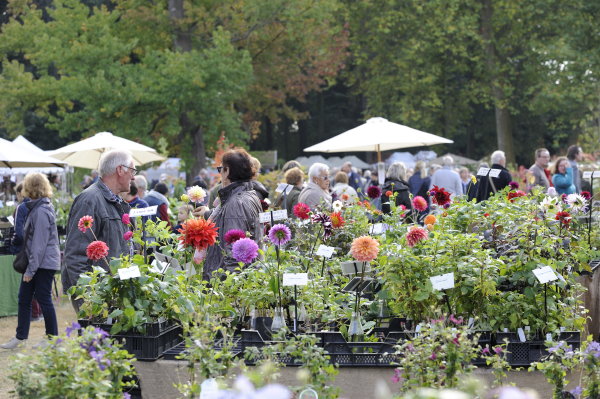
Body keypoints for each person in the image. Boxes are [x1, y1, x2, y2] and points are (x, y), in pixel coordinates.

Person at [62, 149, 134, 307]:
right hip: (98, 294)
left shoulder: (115, 201)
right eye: (132, 170)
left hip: (112, 289)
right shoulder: (90, 199)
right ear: (120, 170)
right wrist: (88, 297)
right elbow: (75, 254)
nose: (133, 176)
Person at [1, 173, 60, 349]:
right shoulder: (38, 208)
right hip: (40, 262)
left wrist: (30, 271)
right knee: (24, 298)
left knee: (43, 299)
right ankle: (20, 337)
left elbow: (39, 246)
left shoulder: (41, 211)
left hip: (42, 263)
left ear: (31, 188)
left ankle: (52, 339)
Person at [195, 148, 262, 280]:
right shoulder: (248, 194)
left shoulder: (235, 203)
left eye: (221, 169)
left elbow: (234, 252)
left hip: (227, 283)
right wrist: (208, 213)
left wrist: (231, 288)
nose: (220, 174)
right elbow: (229, 218)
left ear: (228, 171)